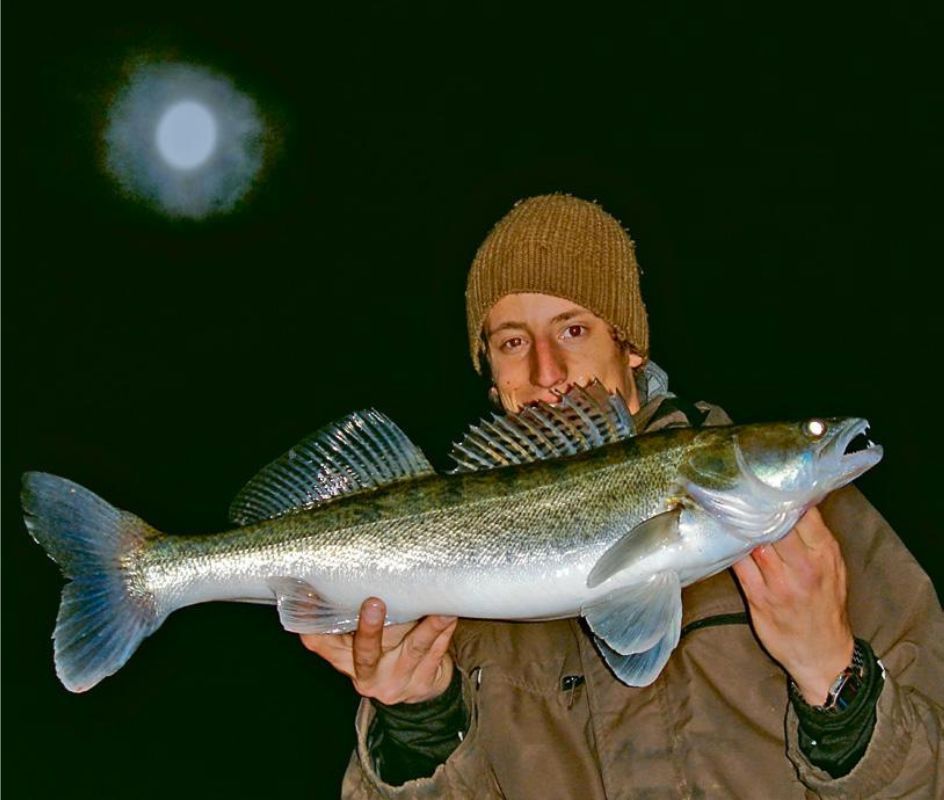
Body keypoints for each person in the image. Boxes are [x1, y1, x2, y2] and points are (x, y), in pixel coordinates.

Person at [303, 194, 944, 798]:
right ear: (492, 377)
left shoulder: (820, 533)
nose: (546, 372)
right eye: (512, 342)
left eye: (574, 330)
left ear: (629, 346)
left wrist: (837, 679)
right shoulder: (432, 587)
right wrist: (419, 724)